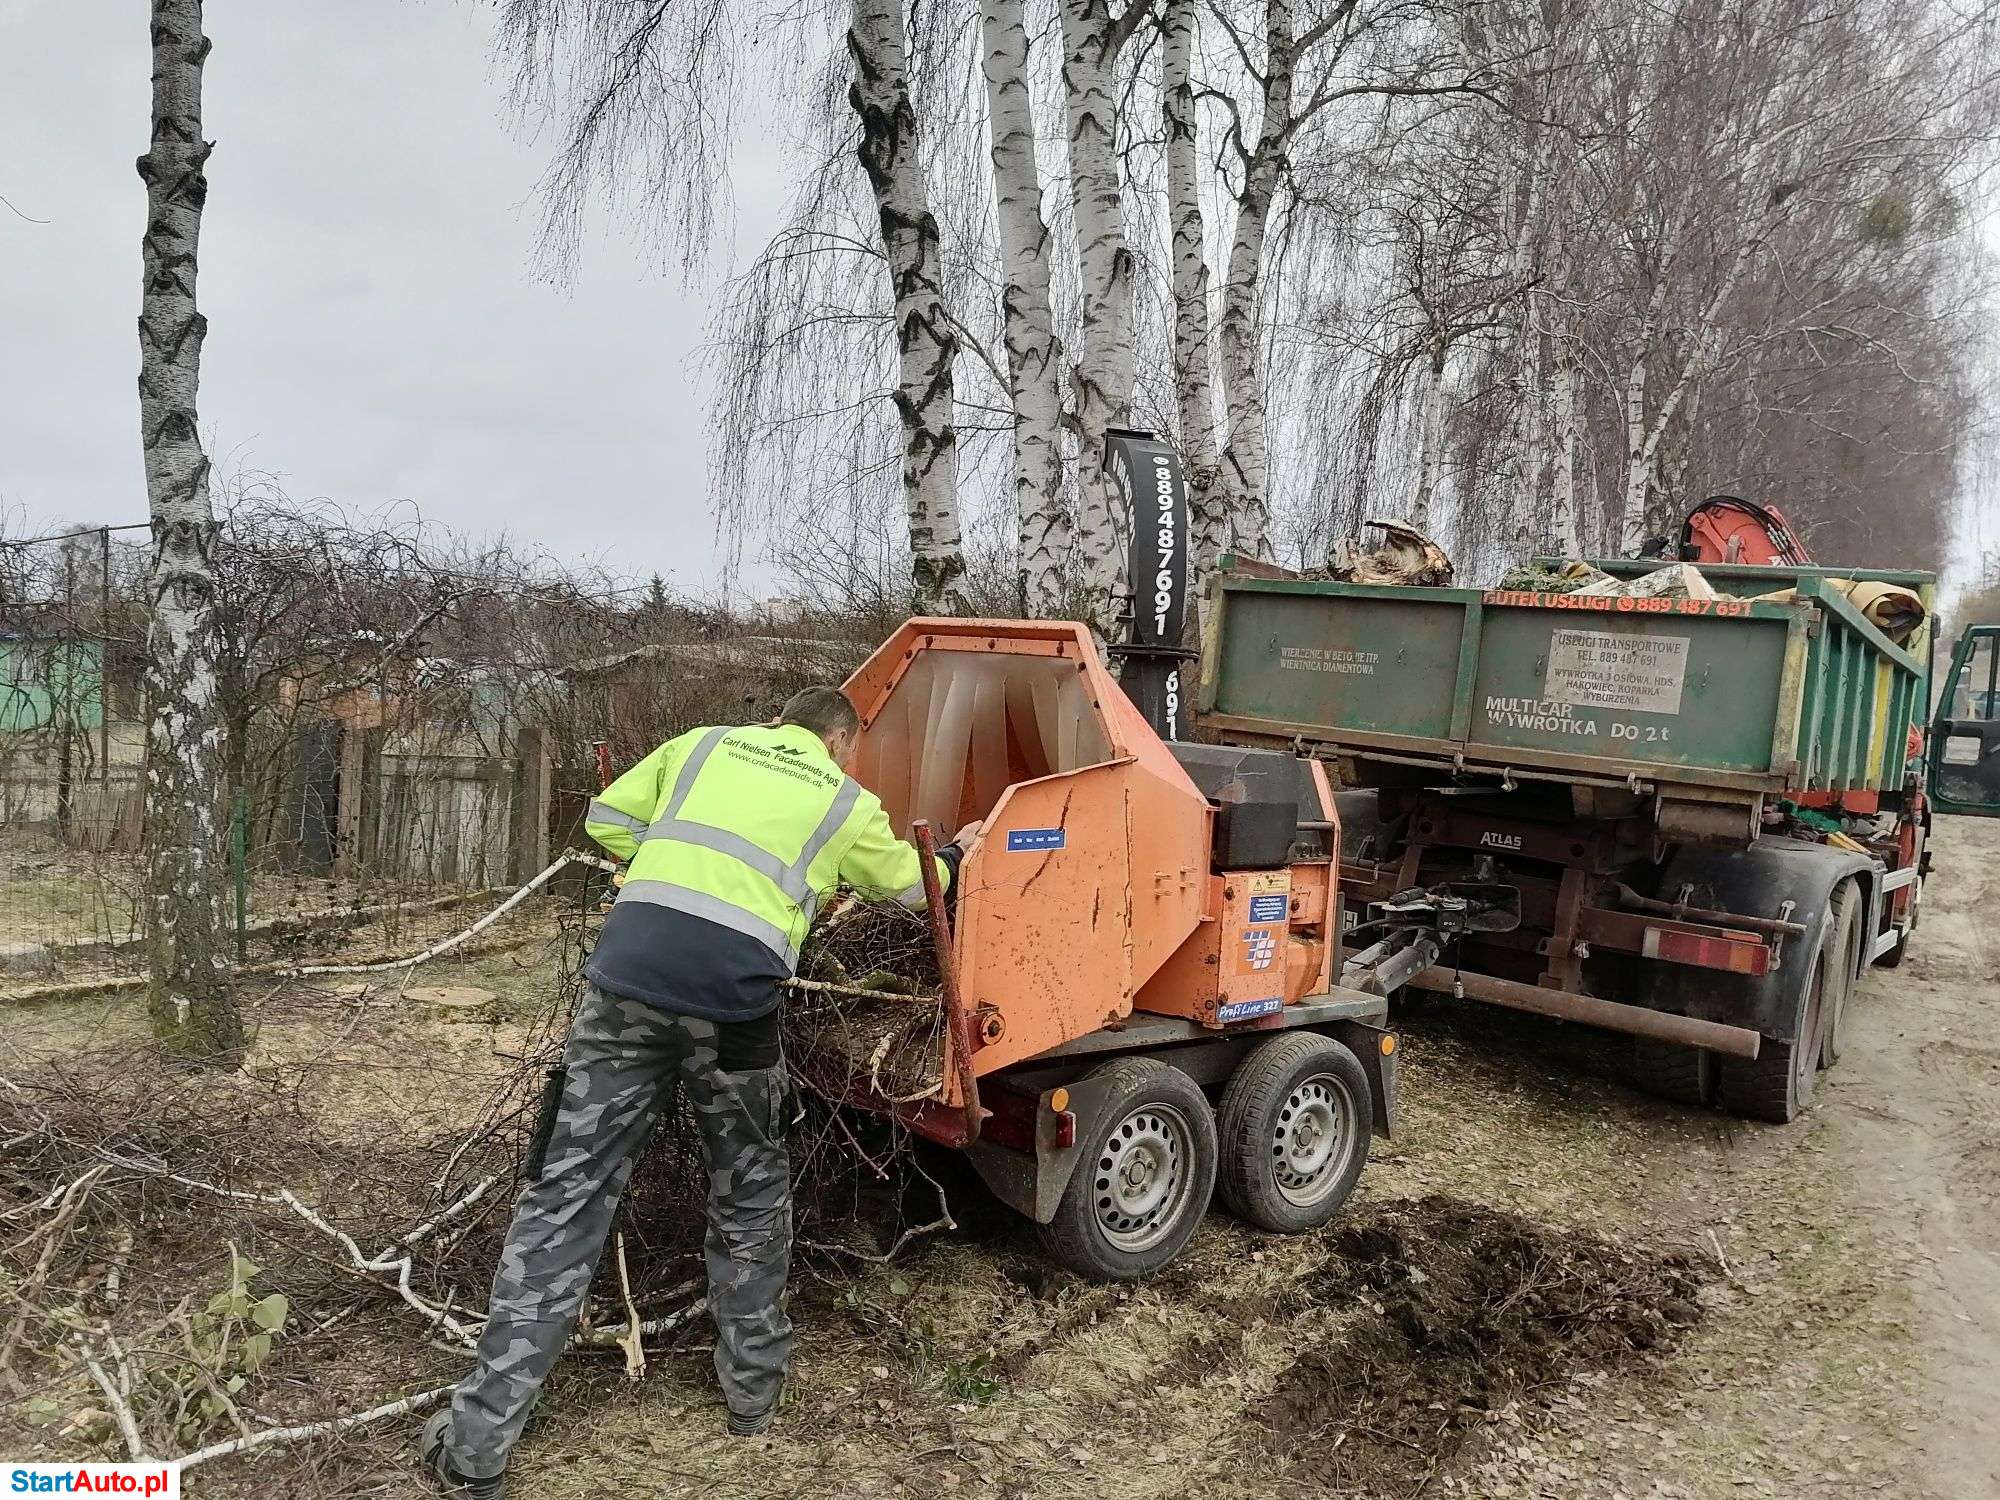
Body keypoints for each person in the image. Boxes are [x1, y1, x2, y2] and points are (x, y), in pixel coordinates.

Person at [420, 686, 979, 1496]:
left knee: (566, 1195)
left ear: (777, 722)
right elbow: (906, 884)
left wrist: (669, 871)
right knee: (748, 1187)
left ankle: (474, 1451)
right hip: (734, 1006)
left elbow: (607, 821)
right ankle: (751, 1399)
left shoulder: (699, 745)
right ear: (840, 744)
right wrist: (959, 855)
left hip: (627, 981)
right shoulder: (841, 794)